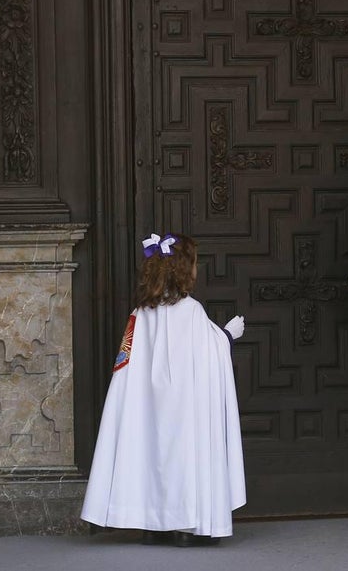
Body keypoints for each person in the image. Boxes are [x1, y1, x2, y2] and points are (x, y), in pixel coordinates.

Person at [81, 233, 247, 546]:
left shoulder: (139, 313)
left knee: (149, 452)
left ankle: (152, 525)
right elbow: (210, 354)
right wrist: (228, 336)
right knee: (184, 456)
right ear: (185, 269)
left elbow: (126, 363)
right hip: (186, 407)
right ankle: (185, 527)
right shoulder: (192, 310)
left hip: (146, 406)